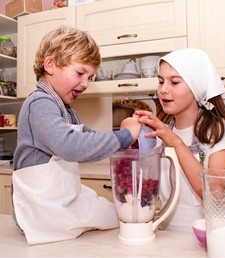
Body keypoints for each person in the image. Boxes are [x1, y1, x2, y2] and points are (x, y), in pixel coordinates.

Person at [11, 26, 141, 245]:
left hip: (60, 197)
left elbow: (89, 139)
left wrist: (122, 140)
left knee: (118, 213)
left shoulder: (65, 109)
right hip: (41, 206)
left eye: (90, 77)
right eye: (80, 73)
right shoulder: (39, 103)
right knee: (119, 217)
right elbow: (71, 147)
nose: (85, 84)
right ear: (50, 65)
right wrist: (125, 136)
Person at [135, 48, 225, 233]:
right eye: (161, 81)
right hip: (164, 233)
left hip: (208, 235)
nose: (163, 90)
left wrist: (177, 143)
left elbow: (215, 193)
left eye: (175, 82)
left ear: (196, 85)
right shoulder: (163, 132)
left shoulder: (219, 130)